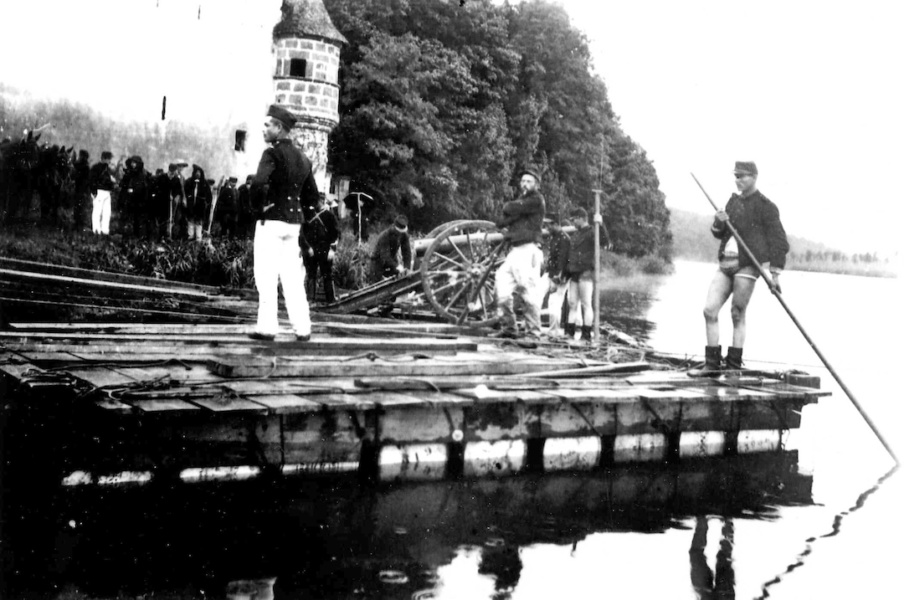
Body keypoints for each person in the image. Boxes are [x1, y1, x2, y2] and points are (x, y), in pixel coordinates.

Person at [702, 161, 789, 372]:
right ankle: (712, 366)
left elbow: (779, 241)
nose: (738, 180)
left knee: (737, 314)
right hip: (725, 263)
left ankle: (733, 368)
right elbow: (719, 233)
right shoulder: (732, 202)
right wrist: (719, 221)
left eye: (742, 176)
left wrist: (775, 275)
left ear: (754, 177)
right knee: (709, 310)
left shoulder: (766, 207)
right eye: (736, 176)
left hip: (747, 266)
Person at [248, 104, 319, 342]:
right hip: (293, 224)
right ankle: (303, 328)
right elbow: (312, 196)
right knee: (292, 277)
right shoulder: (303, 158)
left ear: (279, 128)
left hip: (272, 221)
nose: (264, 129)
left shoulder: (272, 154)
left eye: (268, 125)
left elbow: (258, 184)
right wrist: (303, 216)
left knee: (266, 275)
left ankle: (267, 328)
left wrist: (259, 208)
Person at [493, 165, 546, 339]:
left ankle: (533, 334)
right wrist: (504, 219)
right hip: (515, 251)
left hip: (529, 250)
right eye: (523, 181)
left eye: (528, 182)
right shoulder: (523, 205)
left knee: (528, 290)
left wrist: (507, 208)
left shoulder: (536, 200)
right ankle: (509, 328)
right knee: (501, 285)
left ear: (536, 184)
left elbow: (509, 209)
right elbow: (504, 219)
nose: (524, 184)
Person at [563, 206, 612, 342]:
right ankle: (569, 332)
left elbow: (605, 242)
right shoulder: (576, 233)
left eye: (574, 220)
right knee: (572, 303)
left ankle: (586, 335)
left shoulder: (592, 232)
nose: (573, 222)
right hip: (574, 273)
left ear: (581, 218)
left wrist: (601, 224)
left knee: (586, 304)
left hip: (586, 272)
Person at [303, 193, 341, 302]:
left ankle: (330, 299)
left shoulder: (329, 215)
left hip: (325, 249)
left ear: (322, 201)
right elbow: (304, 233)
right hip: (311, 250)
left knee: (327, 274)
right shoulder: (309, 215)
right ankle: (310, 299)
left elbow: (336, 234)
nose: (316, 204)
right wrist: (306, 248)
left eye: (318, 201)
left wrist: (332, 250)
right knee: (311, 274)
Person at [544, 217, 571, 338]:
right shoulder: (554, 237)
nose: (547, 228)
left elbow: (563, 259)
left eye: (548, 225)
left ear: (555, 224)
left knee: (555, 303)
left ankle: (554, 332)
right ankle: (552, 330)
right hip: (551, 274)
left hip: (559, 276)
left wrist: (558, 276)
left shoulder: (564, 239)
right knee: (551, 302)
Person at [369, 214, 412, 282]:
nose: (400, 234)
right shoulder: (385, 236)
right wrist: (398, 266)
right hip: (378, 262)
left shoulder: (404, 235)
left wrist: (407, 268)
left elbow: (407, 253)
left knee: (396, 281)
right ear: (395, 229)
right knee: (378, 285)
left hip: (391, 260)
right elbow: (385, 256)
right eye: (399, 233)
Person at [88, 150, 117, 234]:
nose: (110, 161)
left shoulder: (102, 168)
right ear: (104, 158)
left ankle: (103, 230)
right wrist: (94, 191)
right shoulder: (100, 168)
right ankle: (98, 230)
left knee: (105, 212)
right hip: (100, 191)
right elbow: (92, 180)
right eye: (109, 159)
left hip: (105, 192)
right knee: (99, 211)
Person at [183, 164, 212, 241]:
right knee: (191, 222)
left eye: (199, 172)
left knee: (199, 223)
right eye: (196, 172)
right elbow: (185, 192)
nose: (198, 174)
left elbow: (209, 196)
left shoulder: (205, 183)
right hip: (191, 206)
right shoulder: (189, 182)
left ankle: (198, 238)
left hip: (200, 207)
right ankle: (190, 236)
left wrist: (206, 203)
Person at [72, 149, 91, 233]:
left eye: (80, 156)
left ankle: (78, 225)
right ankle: (78, 224)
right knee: (79, 207)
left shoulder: (84, 166)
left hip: (81, 189)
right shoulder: (85, 166)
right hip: (81, 189)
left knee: (80, 208)